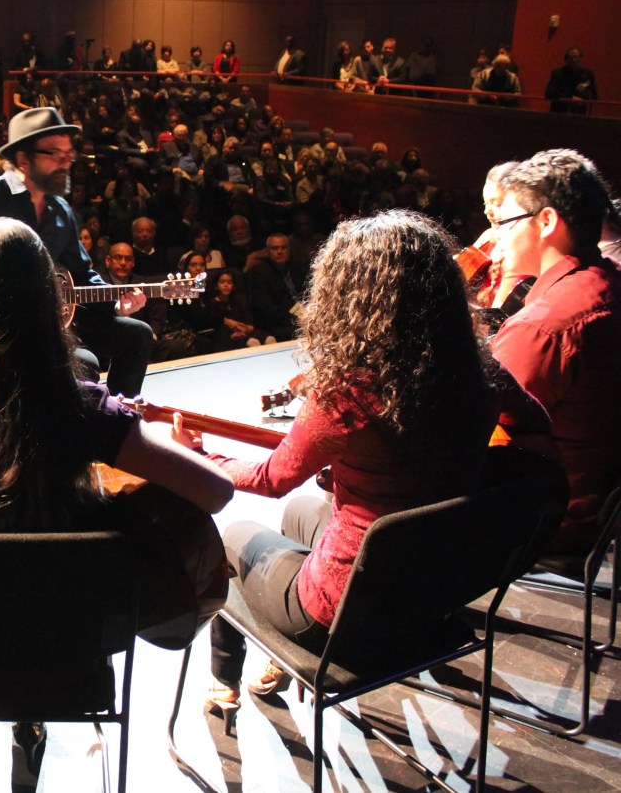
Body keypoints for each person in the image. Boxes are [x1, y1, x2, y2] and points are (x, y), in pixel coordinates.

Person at [0, 218, 234, 793]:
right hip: (66, 646)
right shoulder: (86, 408)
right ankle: (30, 722)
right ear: (47, 301)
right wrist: (170, 458)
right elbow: (217, 493)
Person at [173, 209, 553, 718]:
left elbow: (270, 478)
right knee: (302, 514)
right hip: (437, 584)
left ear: (350, 297)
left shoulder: (348, 391)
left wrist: (200, 455)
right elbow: (536, 424)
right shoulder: (480, 370)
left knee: (236, 533)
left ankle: (225, 682)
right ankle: (269, 667)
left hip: (342, 616)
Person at [0, 108, 154, 396]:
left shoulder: (60, 209)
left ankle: (117, 427)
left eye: (68, 153)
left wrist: (114, 302)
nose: (66, 162)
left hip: (48, 321)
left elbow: (81, 272)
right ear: (23, 159)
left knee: (136, 335)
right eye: (55, 154)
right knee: (83, 363)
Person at [490, 149, 621, 553]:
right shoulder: (609, 284)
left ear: (546, 221)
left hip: (549, 521)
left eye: (507, 223)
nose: (497, 236)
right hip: (602, 512)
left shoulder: (544, 325)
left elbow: (469, 426)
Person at [544, 48, 597, 115]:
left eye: (577, 57)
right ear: (566, 60)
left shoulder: (587, 74)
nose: (574, 60)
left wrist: (586, 96)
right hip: (560, 113)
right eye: (571, 57)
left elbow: (594, 96)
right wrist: (571, 98)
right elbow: (549, 93)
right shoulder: (558, 73)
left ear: (581, 58)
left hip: (580, 114)